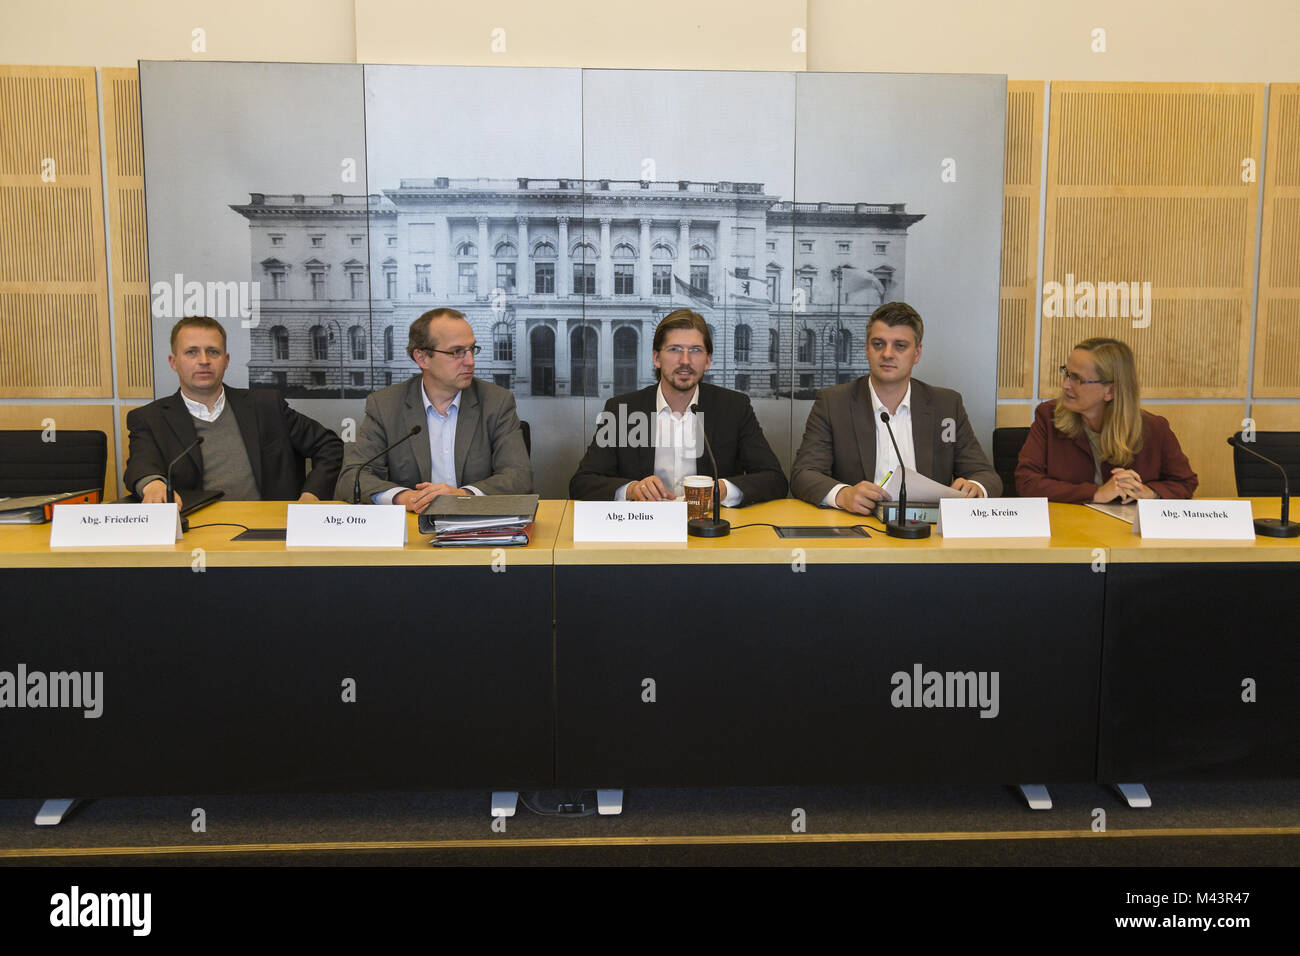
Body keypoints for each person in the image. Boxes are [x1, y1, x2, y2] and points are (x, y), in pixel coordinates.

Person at [790, 301, 1001, 513]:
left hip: (927, 531)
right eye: (878, 344)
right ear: (866, 349)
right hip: (859, 528)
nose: (888, 354)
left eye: (900, 345)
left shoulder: (946, 406)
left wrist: (976, 487)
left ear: (917, 353)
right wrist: (843, 494)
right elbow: (804, 473)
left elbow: (985, 475)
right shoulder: (833, 403)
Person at [569, 309, 788, 505]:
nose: (685, 361)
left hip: (711, 536)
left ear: (708, 360)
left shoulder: (734, 407)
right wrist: (632, 490)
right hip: (643, 532)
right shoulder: (621, 409)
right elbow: (582, 483)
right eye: (674, 349)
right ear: (656, 357)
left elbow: (775, 480)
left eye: (695, 350)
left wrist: (721, 490)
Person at [124, 316, 343, 507]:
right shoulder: (150, 418)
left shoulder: (266, 405)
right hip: (196, 534)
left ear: (226, 361)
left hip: (269, 532)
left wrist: (312, 495)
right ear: (174, 362)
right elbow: (141, 464)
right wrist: (151, 485)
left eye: (213, 352)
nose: (204, 361)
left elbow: (329, 446)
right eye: (192, 352)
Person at [337, 308, 533, 509]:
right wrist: (405, 498)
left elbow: (518, 476)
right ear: (422, 358)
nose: (470, 361)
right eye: (457, 352)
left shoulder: (496, 402)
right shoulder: (385, 405)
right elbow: (352, 477)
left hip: (476, 529)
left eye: (472, 349)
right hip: (413, 528)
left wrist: (463, 495)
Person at [1015, 337, 1197, 502]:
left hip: (1124, 533)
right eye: (1066, 373)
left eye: (1077, 378)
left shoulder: (1155, 428)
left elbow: (1185, 483)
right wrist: (1096, 494)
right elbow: (1026, 482)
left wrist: (1149, 491)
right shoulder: (1048, 416)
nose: (1065, 384)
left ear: (1111, 391)